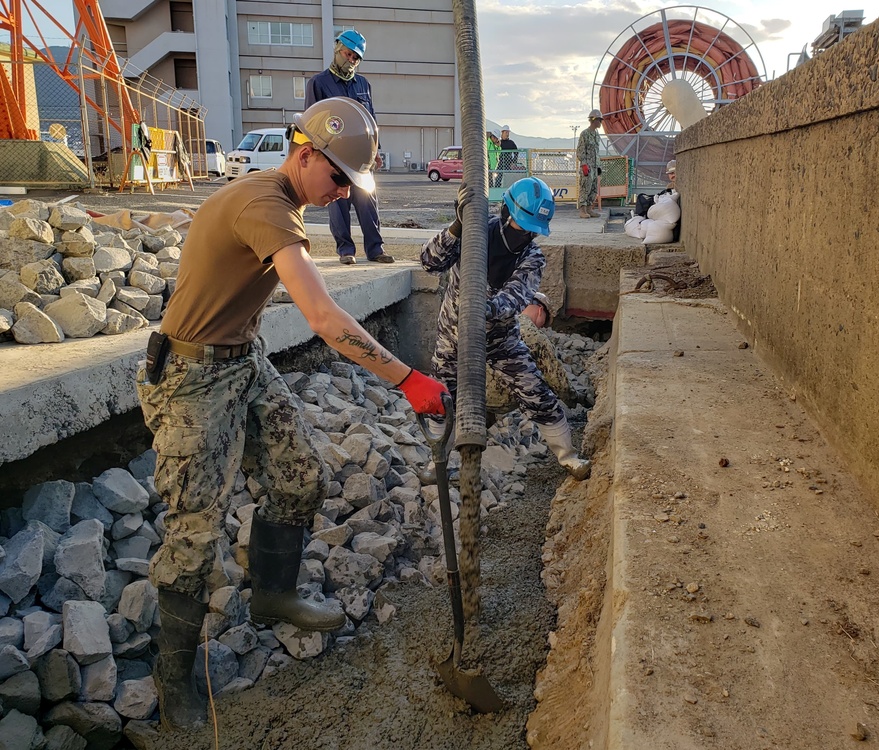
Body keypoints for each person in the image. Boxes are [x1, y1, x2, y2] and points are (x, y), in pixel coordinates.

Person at [137, 96, 448, 732]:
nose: (342, 194)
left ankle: (272, 596)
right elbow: (325, 319)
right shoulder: (265, 205)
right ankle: (174, 687)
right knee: (196, 532)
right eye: (337, 178)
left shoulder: (281, 200)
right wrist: (407, 378)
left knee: (298, 473)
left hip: (240, 359)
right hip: (192, 378)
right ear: (305, 154)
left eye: (351, 185)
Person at [420, 176, 591, 480]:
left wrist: (484, 308)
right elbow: (429, 262)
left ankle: (569, 457)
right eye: (521, 226)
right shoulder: (474, 232)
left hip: (500, 338)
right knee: (441, 398)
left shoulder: (531, 257)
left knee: (535, 390)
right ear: (506, 213)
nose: (525, 235)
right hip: (453, 336)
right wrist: (456, 229)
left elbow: (514, 297)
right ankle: (438, 462)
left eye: (532, 231)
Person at [305, 29, 393, 265]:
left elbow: (370, 120)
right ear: (337, 49)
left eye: (356, 58)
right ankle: (346, 250)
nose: (351, 60)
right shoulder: (318, 83)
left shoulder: (363, 84)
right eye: (348, 54)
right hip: (332, 155)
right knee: (339, 203)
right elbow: (311, 122)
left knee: (368, 202)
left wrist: (376, 150)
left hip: (361, 156)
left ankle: (375, 249)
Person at [577, 108, 604, 219]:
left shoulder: (597, 135)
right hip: (587, 166)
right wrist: (584, 165)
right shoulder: (585, 134)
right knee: (585, 188)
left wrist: (598, 166)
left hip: (595, 166)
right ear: (593, 120)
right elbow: (580, 151)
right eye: (599, 120)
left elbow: (596, 152)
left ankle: (589, 209)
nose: (600, 123)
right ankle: (582, 210)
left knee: (593, 189)